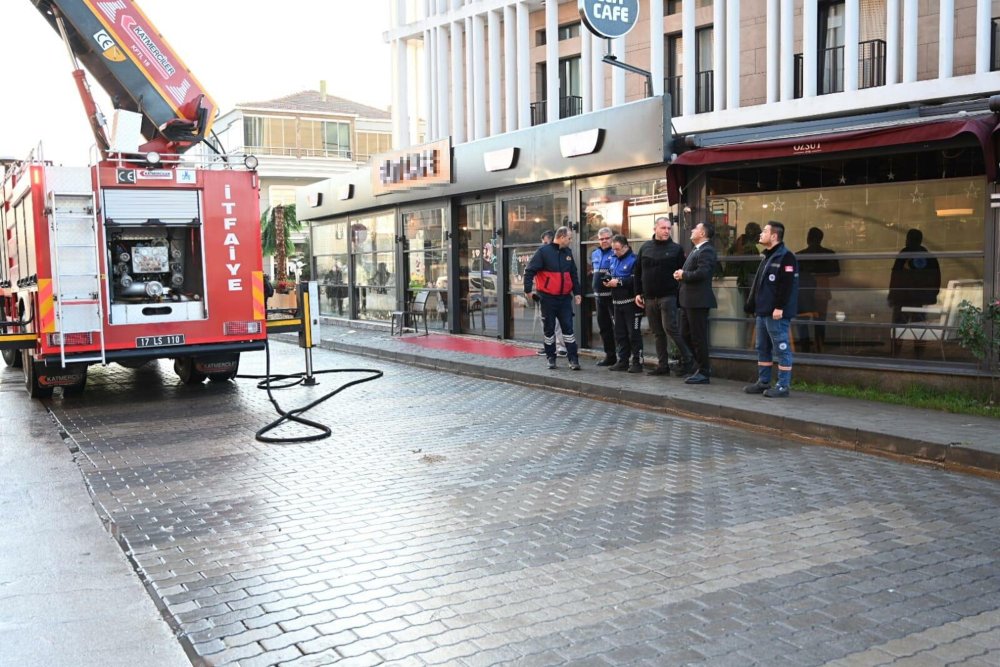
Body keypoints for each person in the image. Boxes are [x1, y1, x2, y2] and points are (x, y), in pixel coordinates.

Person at [744, 221, 800, 398]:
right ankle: (763, 382)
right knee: (763, 347)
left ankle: (783, 386)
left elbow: (787, 285)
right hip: (763, 312)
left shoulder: (786, 257)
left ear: (774, 236)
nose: (761, 234)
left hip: (776, 313)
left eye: (765, 231)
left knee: (781, 348)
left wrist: (779, 307)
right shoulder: (768, 256)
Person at [635, 215, 693, 377]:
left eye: (669, 228)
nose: (667, 231)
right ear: (655, 229)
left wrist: (679, 295)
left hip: (668, 296)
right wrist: (637, 293)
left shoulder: (676, 249)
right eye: (663, 228)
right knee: (657, 332)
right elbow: (638, 272)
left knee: (670, 329)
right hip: (649, 297)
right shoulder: (645, 247)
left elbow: (682, 274)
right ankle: (663, 365)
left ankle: (688, 359)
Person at [524, 226, 583, 370]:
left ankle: (573, 360)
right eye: (569, 238)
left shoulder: (568, 253)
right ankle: (551, 358)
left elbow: (573, 274)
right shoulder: (543, 252)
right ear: (562, 237)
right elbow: (529, 271)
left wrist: (577, 293)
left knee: (568, 329)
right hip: (548, 298)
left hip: (564, 299)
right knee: (549, 330)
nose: (570, 241)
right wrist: (527, 290)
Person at [673, 221, 718, 384]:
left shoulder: (707, 251)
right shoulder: (696, 249)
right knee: (685, 335)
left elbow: (703, 273)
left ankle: (704, 372)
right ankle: (696, 366)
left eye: (696, 228)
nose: (692, 230)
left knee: (698, 337)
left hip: (698, 301)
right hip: (687, 301)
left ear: (703, 234)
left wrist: (683, 275)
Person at [795, 227, 839, 352]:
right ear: (821, 239)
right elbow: (836, 272)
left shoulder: (799, 255)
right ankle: (819, 346)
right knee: (820, 319)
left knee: (802, 319)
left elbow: (795, 274)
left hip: (803, 290)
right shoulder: (830, 254)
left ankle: (805, 348)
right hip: (822, 290)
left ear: (808, 238)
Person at [605, 234, 644, 373]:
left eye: (617, 249)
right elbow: (611, 273)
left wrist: (619, 282)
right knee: (619, 334)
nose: (615, 252)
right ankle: (622, 361)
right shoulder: (613, 259)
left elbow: (636, 280)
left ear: (626, 247)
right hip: (616, 302)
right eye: (613, 249)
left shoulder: (634, 260)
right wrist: (608, 279)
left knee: (634, 334)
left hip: (631, 303)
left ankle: (637, 362)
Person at [534, 229, 568, 357]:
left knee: (558, 322)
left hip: (556, 293)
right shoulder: (542, 254)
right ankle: (549, 346)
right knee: (545, 321)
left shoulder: (560, 254)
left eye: (546, 242)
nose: (544, 245)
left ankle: (562, 346)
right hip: (543, 292)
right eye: (543, 243)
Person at [590, 227, 617, 366]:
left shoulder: (616, 252)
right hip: (598, 297)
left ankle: (625, 357)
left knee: (618, 328)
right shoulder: (594, 253)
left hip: (613, 297)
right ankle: (610, 356)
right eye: (601, 239)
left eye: (607, 238)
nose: (604, 241)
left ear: (612, 238)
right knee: (604, 328)